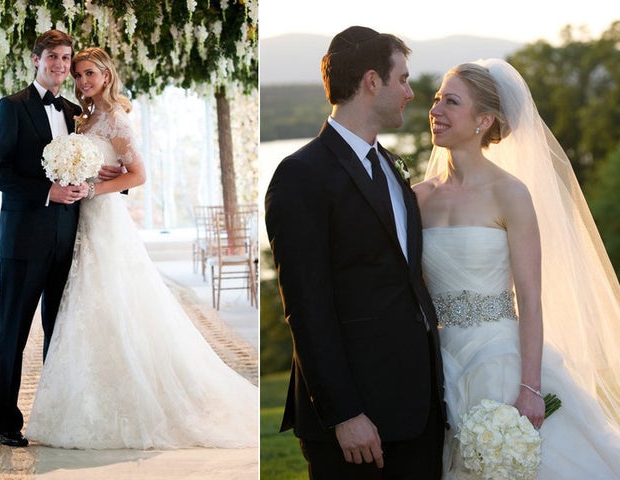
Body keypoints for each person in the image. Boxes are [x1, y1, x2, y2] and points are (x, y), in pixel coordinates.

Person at [24, 47, 258, 450]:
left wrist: (94, 188)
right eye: (78, 75)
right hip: (81, 220)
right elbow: (93, 164)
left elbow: (139, 175)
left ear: (106, 75)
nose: (82, 81)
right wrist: (88, 174)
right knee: (85, 309)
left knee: (115, 304)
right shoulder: (81, 119)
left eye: (89, 74)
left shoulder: (115, 118)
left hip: (105, 221)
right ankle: (85, 401)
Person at [413, 58, 620, 478]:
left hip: (500, 361)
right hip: (439, 365)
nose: (435, 111)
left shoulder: (511, 194)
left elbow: (530, 296)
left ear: (483, 120)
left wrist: (529, 387)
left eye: (450, 102)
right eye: (436, 100)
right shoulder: (415, 197)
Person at [265, 26, 446, 479]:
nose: (409, 92)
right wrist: (344, 414)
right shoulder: (301, 174)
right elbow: (305, 307)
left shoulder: (388, 165)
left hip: (418, 412)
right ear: (371, 81)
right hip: (354, 424)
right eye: (401, 79)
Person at [0, 30, 121, 448]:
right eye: (53, 58)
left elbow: (83, 161)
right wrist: (47, 191)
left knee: (60, 333)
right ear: (35, 60)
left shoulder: (72, 110)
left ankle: (54, 415)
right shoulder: (12, 107)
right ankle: (6, 423)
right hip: (24, 241)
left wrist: (101, 175)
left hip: (68, 238)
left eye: (66, 59)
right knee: (13, 332)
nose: (61, 66)